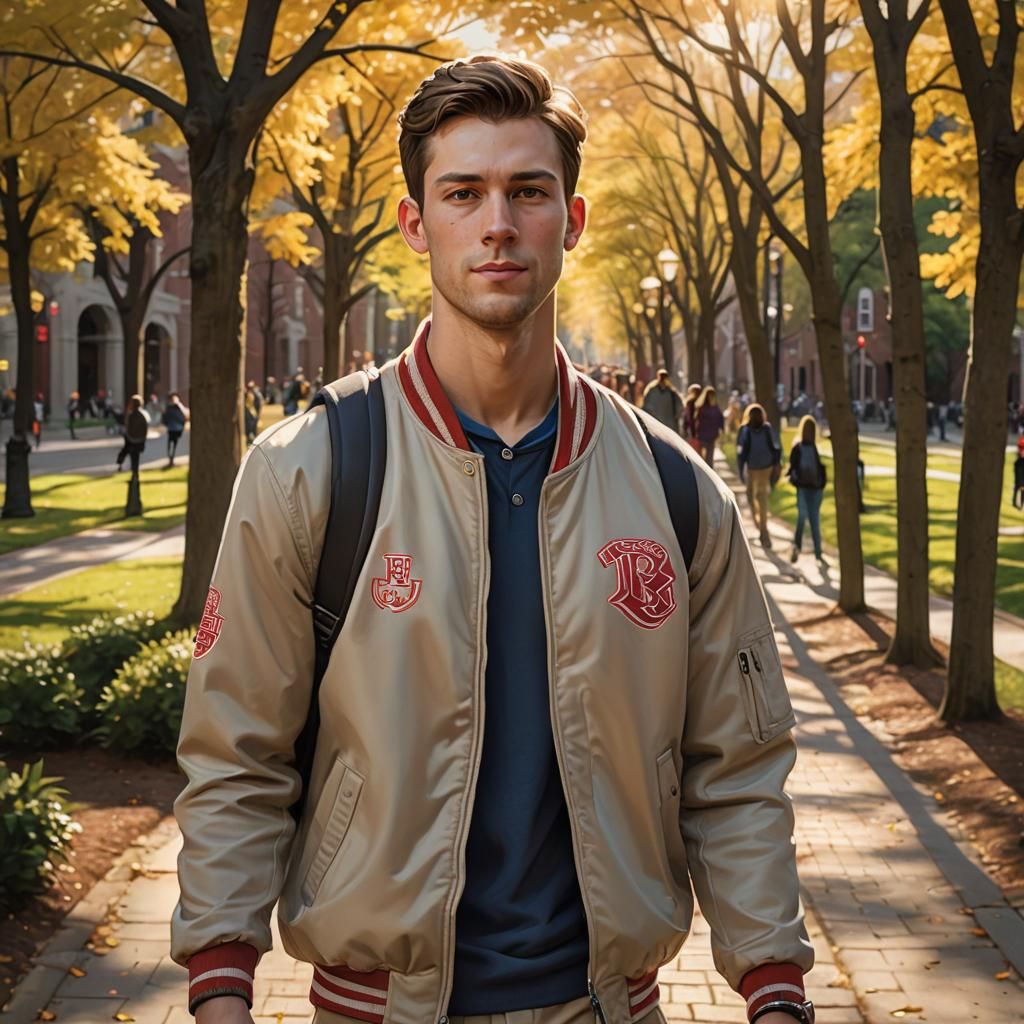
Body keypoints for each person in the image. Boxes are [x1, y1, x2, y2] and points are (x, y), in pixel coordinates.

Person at [171, 55, 813, 1024]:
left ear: (574, 220)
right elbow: (236, 754)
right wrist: (220, 984)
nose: (497, 223)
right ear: (414, 224)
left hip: (608, 1006)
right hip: (373, 1005)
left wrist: (774, 986)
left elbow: (738, 767)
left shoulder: (676, 489)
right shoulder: (309, 471)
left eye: (528, 191)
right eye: (462, 192)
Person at [737, 403, 782, 550]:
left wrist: (740, 470)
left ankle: (761, 527)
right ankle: (763, 529)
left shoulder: (745, 430)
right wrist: (776, 464)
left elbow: (742, 452)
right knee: (762, 498)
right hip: (766, 467)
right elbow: (775, 447)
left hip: (752, 468)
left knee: (750, 497)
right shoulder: (767, 428)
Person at [787, 414, 828, 566]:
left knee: (804, 518)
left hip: (807, 488)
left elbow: (793, 468)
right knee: (812, 519)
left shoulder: (804, 447)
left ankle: (807, 549)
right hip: (812, 488)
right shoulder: (803, 448)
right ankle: (814, 552)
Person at [116, 394, 148, 473]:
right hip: (139, 439)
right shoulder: (143, 415)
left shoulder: (131, 415)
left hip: (131, 439)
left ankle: (123, 464)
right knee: (135, 456)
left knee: (128, 451)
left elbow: (127, 426)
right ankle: (134, 469)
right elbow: (145, 428)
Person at [694, 384, 724, 466]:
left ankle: (708, 469)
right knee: (705, 455)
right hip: (704, 434)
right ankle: (705, 469)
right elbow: (697, 420)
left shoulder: (714, 407)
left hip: (711, 434)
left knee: (709, 455)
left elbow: (720, 418)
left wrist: (721, 428)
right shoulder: (703, 407)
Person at [162, 392, 189, 467]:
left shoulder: (171, 408)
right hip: (176, 428)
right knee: (173, 444)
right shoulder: (178, 408)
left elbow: (165, 418)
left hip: (173, 428)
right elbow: (184, 417)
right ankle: (171, 457)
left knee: (171, 443)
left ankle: (171, 457)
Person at [244, 381, 263, 445]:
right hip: (248, 413)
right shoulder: (246, 394)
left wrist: (258, 413)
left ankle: (253, 440)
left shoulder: (256, 395)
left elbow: (258, 404)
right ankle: (249, 440)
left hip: (253, 413)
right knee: (249, 427)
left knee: (254, 427)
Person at [1014, 434, 1024, 511]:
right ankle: (1015, 502)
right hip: (1020, 465)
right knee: (1018, 486)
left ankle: (1021, 504)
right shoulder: (1021, 441)